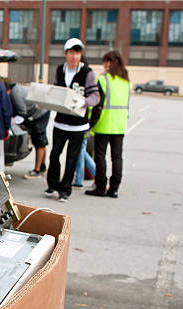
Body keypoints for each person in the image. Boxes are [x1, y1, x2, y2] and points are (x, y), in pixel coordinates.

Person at [45, 38, 100, 202]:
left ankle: (65, 189)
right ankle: (52, 184)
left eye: (77, 53)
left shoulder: (87, 72)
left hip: (78, 125)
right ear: (66, 53)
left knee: (72, 158)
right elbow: (57, 90)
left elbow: (95, 96)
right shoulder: (60, 69)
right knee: (54, 154)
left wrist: (84, 102)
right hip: (60, 122)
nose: (74, 56)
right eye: (71, 52)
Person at [85, 50, 131, 198]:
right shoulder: (126, 82)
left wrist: (90, 122)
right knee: (117, 157)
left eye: (104, 62)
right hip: (120, 125)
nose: (103, 65)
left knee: (100, 156)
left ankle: (101, 186)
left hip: (104, 124)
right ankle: (115, 188)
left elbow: (97, 105)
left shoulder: (103, 80)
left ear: (109, 62)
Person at [3, 78, 51, 179]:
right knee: (41, 141)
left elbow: (22, 114)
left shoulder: (15, 95)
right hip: (42, 111)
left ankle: (36, 171)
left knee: (39, 141)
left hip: (39, 113)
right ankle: (42, 167)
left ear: (7, 90)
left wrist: (11, 121)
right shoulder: (14, 90)